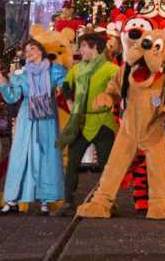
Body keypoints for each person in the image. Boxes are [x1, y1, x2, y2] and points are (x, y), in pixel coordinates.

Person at [0, 37, 67, 215]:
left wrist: (63, 87)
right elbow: (12, 97)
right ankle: (12, 200)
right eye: (27, 52)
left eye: (33, 49)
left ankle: (45, 199)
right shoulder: (22, 75)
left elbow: (66, 85)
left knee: (46, 155)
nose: (29, 54)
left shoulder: (55, 71)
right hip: (27, 117)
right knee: (21, 156)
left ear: (41, 51)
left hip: (47, 119)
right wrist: (0, 79)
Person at [56, 33, 118, 216]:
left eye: (84, 46)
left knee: (107, 165)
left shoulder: (110, 69)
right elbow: (66, 86)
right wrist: (69, 103)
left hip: (102, 122)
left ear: (96, 48)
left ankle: (108, 202)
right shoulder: (77, 69)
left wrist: (111, 97)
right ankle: (68, 201)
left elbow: (120, 89)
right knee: (72, 162)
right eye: (80, 46)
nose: (80, 50)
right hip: (81, 122)